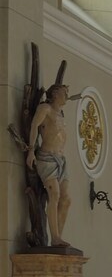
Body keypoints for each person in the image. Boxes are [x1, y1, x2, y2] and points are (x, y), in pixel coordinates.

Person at [26, 84, 73, 247]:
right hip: (47, 158)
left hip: (61, 160)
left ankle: (58, 238)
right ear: (54, 94)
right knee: (55, 195)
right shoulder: (45, 108)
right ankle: (55, 237)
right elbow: (34, 126)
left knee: (66, 199)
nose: (67, 95)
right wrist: (31, 150)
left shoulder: (61, 113)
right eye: (64, 92)